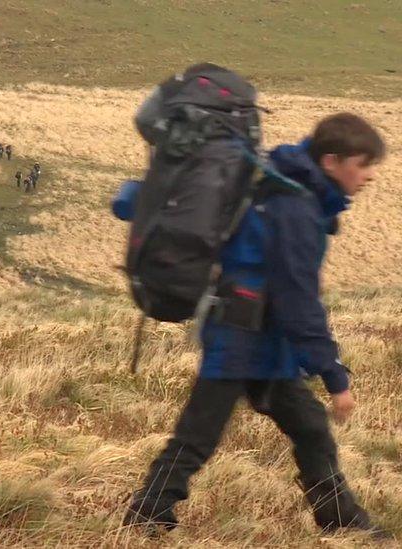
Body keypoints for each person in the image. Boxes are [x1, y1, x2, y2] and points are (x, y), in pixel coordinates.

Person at [123, 113, 389, 539]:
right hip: (240, 339)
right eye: (362, 163)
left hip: (259, 341)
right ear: (331, 162)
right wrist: (334, 376)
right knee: (200, 434)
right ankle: (147, 514)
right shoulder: (295, 209)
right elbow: (298, 300)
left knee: (308, 427)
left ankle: (341, 521)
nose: (370, 175)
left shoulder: (292, 193)